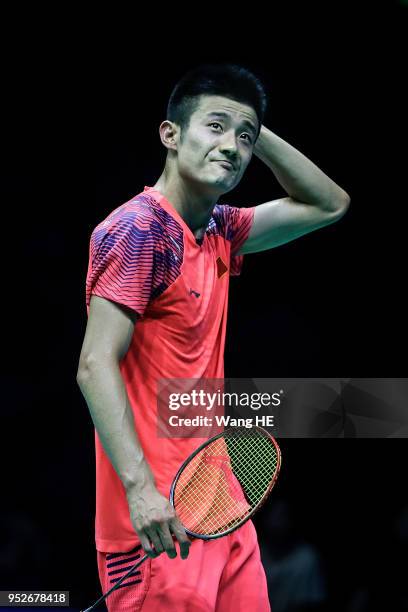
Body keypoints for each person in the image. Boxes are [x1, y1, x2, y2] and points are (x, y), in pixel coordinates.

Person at [77, 63, 350, 611]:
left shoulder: (221, 230)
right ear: (170, 134)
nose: (232, 147)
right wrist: (139, 490)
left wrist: (250, 123)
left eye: (243, 139)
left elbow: (329, 204)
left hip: (217, 500)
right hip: (157, 516)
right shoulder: (138, 230)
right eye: (215, 126)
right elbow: (93, 364)